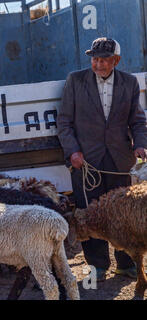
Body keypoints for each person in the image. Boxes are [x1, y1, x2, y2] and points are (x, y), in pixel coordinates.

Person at [57, 37, 147, 281]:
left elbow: (137, 121)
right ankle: (97, 266)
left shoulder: (129, 83)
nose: (97, 64)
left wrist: (140, 145)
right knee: (89, 215)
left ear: (115, 60)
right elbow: (64, 122)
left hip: (120, 161)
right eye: (94, 59)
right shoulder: (75, 81)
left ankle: (127, 264)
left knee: (124, 214)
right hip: (86, 163)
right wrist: (73, 151)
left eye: (103, 60)